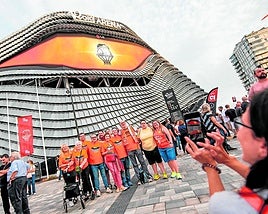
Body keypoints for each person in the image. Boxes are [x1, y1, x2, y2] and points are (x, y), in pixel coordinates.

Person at [185, 89, 268, 213]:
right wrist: (229, 160)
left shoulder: (246, 206)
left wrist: (209, 166)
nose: (238, 133)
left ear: (263, 145)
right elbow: (262, 181)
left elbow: (218, 204)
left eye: (242, 125)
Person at [119, 120, 153, 184]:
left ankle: (148, 176)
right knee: (135, 165)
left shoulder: (131, 127)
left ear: (125, 123)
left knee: (142, 162)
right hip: (129, 149)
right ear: (120, 125)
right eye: (121, 123)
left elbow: (139, 131)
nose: (123, 124)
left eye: (124, 123)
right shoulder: (120, 132)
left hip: (136, 147)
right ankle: (140, 178)